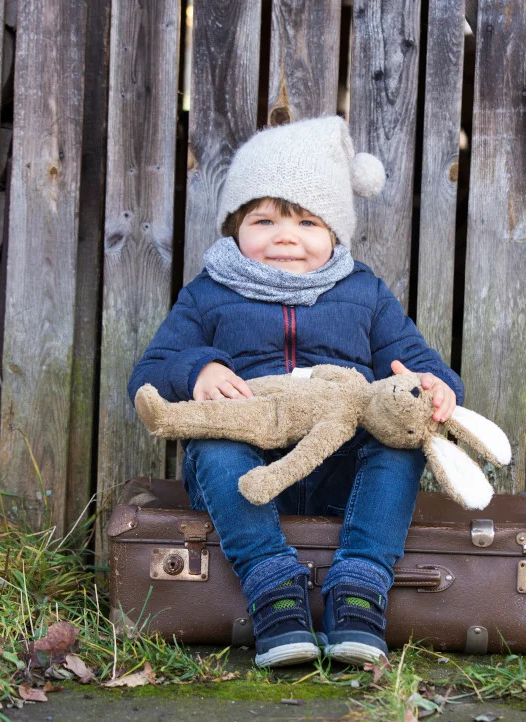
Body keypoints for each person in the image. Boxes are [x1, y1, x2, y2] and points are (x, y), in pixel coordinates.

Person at [127, 116, 464, 668]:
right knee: (214, 447)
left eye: (307, 221)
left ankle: (359, 586)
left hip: (342, 472)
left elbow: (417, 362)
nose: (285, 236)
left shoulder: (365, 293)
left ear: (335, 232)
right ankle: (273, 589)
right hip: (246, 476)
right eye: (264, 219)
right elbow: (148, 373)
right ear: (234, 227)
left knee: (400, 439)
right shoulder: (208, 294)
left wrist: (435, 389)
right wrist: (197, 371)